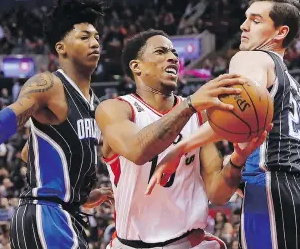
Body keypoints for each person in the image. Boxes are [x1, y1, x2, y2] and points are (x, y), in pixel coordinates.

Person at [147, 0, 300, 249]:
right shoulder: (293, 84)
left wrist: (180, 148)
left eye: (256, 20)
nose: (243, 26)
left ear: (280, 32)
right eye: (246, 18)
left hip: (273, 192)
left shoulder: (252, 57)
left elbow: (237, 109)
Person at [0, 0, 113, 249]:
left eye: (97, 37)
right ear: (61, 48)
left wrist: (78, 195)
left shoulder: (94, 103)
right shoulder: (48, 85)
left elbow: (29, 153)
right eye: (84, 37)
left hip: (63, 214)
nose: (95, 42)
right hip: (46, 216)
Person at [95, 29, 268, 248]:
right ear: (136, 66)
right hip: (131, 243)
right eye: (161, 51)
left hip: (189, 242)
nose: (173, 57)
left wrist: (237, 159)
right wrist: (190, 104)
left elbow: (217, 193)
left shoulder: (198, 115)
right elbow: (137, 150)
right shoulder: (116, 109)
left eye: (174, 53)